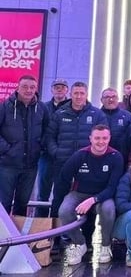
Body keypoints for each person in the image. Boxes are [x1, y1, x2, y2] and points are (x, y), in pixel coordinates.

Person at [57, 125, 123, 265]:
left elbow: (112, 188)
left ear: (109, 138)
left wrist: (93, 200)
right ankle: (80, 244)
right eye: (97, 138)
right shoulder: (80, 155)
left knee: (108, 209)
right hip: (79, 192)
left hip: (103, 195)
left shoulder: (115, 156)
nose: (101, 142)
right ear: (90, 139)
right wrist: (61, 199)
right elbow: (63, 178)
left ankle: (105, 245)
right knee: (64, 210)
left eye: (104, 138)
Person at [46, 81, 108, 216]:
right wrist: (56, 153)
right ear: (70, 94)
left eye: (82, 93)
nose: (79, 96)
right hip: (63, 162)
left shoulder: (97, 114)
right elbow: (49, 137)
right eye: (76, 93)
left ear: (86, 94)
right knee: (59, 197)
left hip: (88, 164)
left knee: (86, 199)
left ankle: (85, 235)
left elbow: (104, 137)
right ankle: (56, 234)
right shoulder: (60, 113)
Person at [0, 75, 49, 216]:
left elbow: (47, 130)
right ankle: (3, 236)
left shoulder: (42, 108)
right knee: (4, 203)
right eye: (25, 87)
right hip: (7, 165)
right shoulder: (4, 107)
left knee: (22, 203)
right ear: (17, 87)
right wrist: (7, 150)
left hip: (30, 166)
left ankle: (18, 236)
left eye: (32, 87)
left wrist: (40, 147)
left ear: (36, 89)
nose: (29, 90)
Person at [38, 78, 69, 215]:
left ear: (67, 90)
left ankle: (57, 227)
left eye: (62, 87)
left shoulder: (71, 107)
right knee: (43, 192)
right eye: (56, 87)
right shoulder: (43, 107)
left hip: (63, 156)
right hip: (46, 155)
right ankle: (41, 225)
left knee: (61, 192)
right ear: (51, 90)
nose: (59, 89)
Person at [100, 87, 131, 155]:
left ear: (118, 99)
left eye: (114, 97)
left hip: (122, 157)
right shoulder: (97, 115)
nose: (111, 99)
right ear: (101, 100)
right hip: (100, 157)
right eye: (107, 97)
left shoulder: (127, 116)